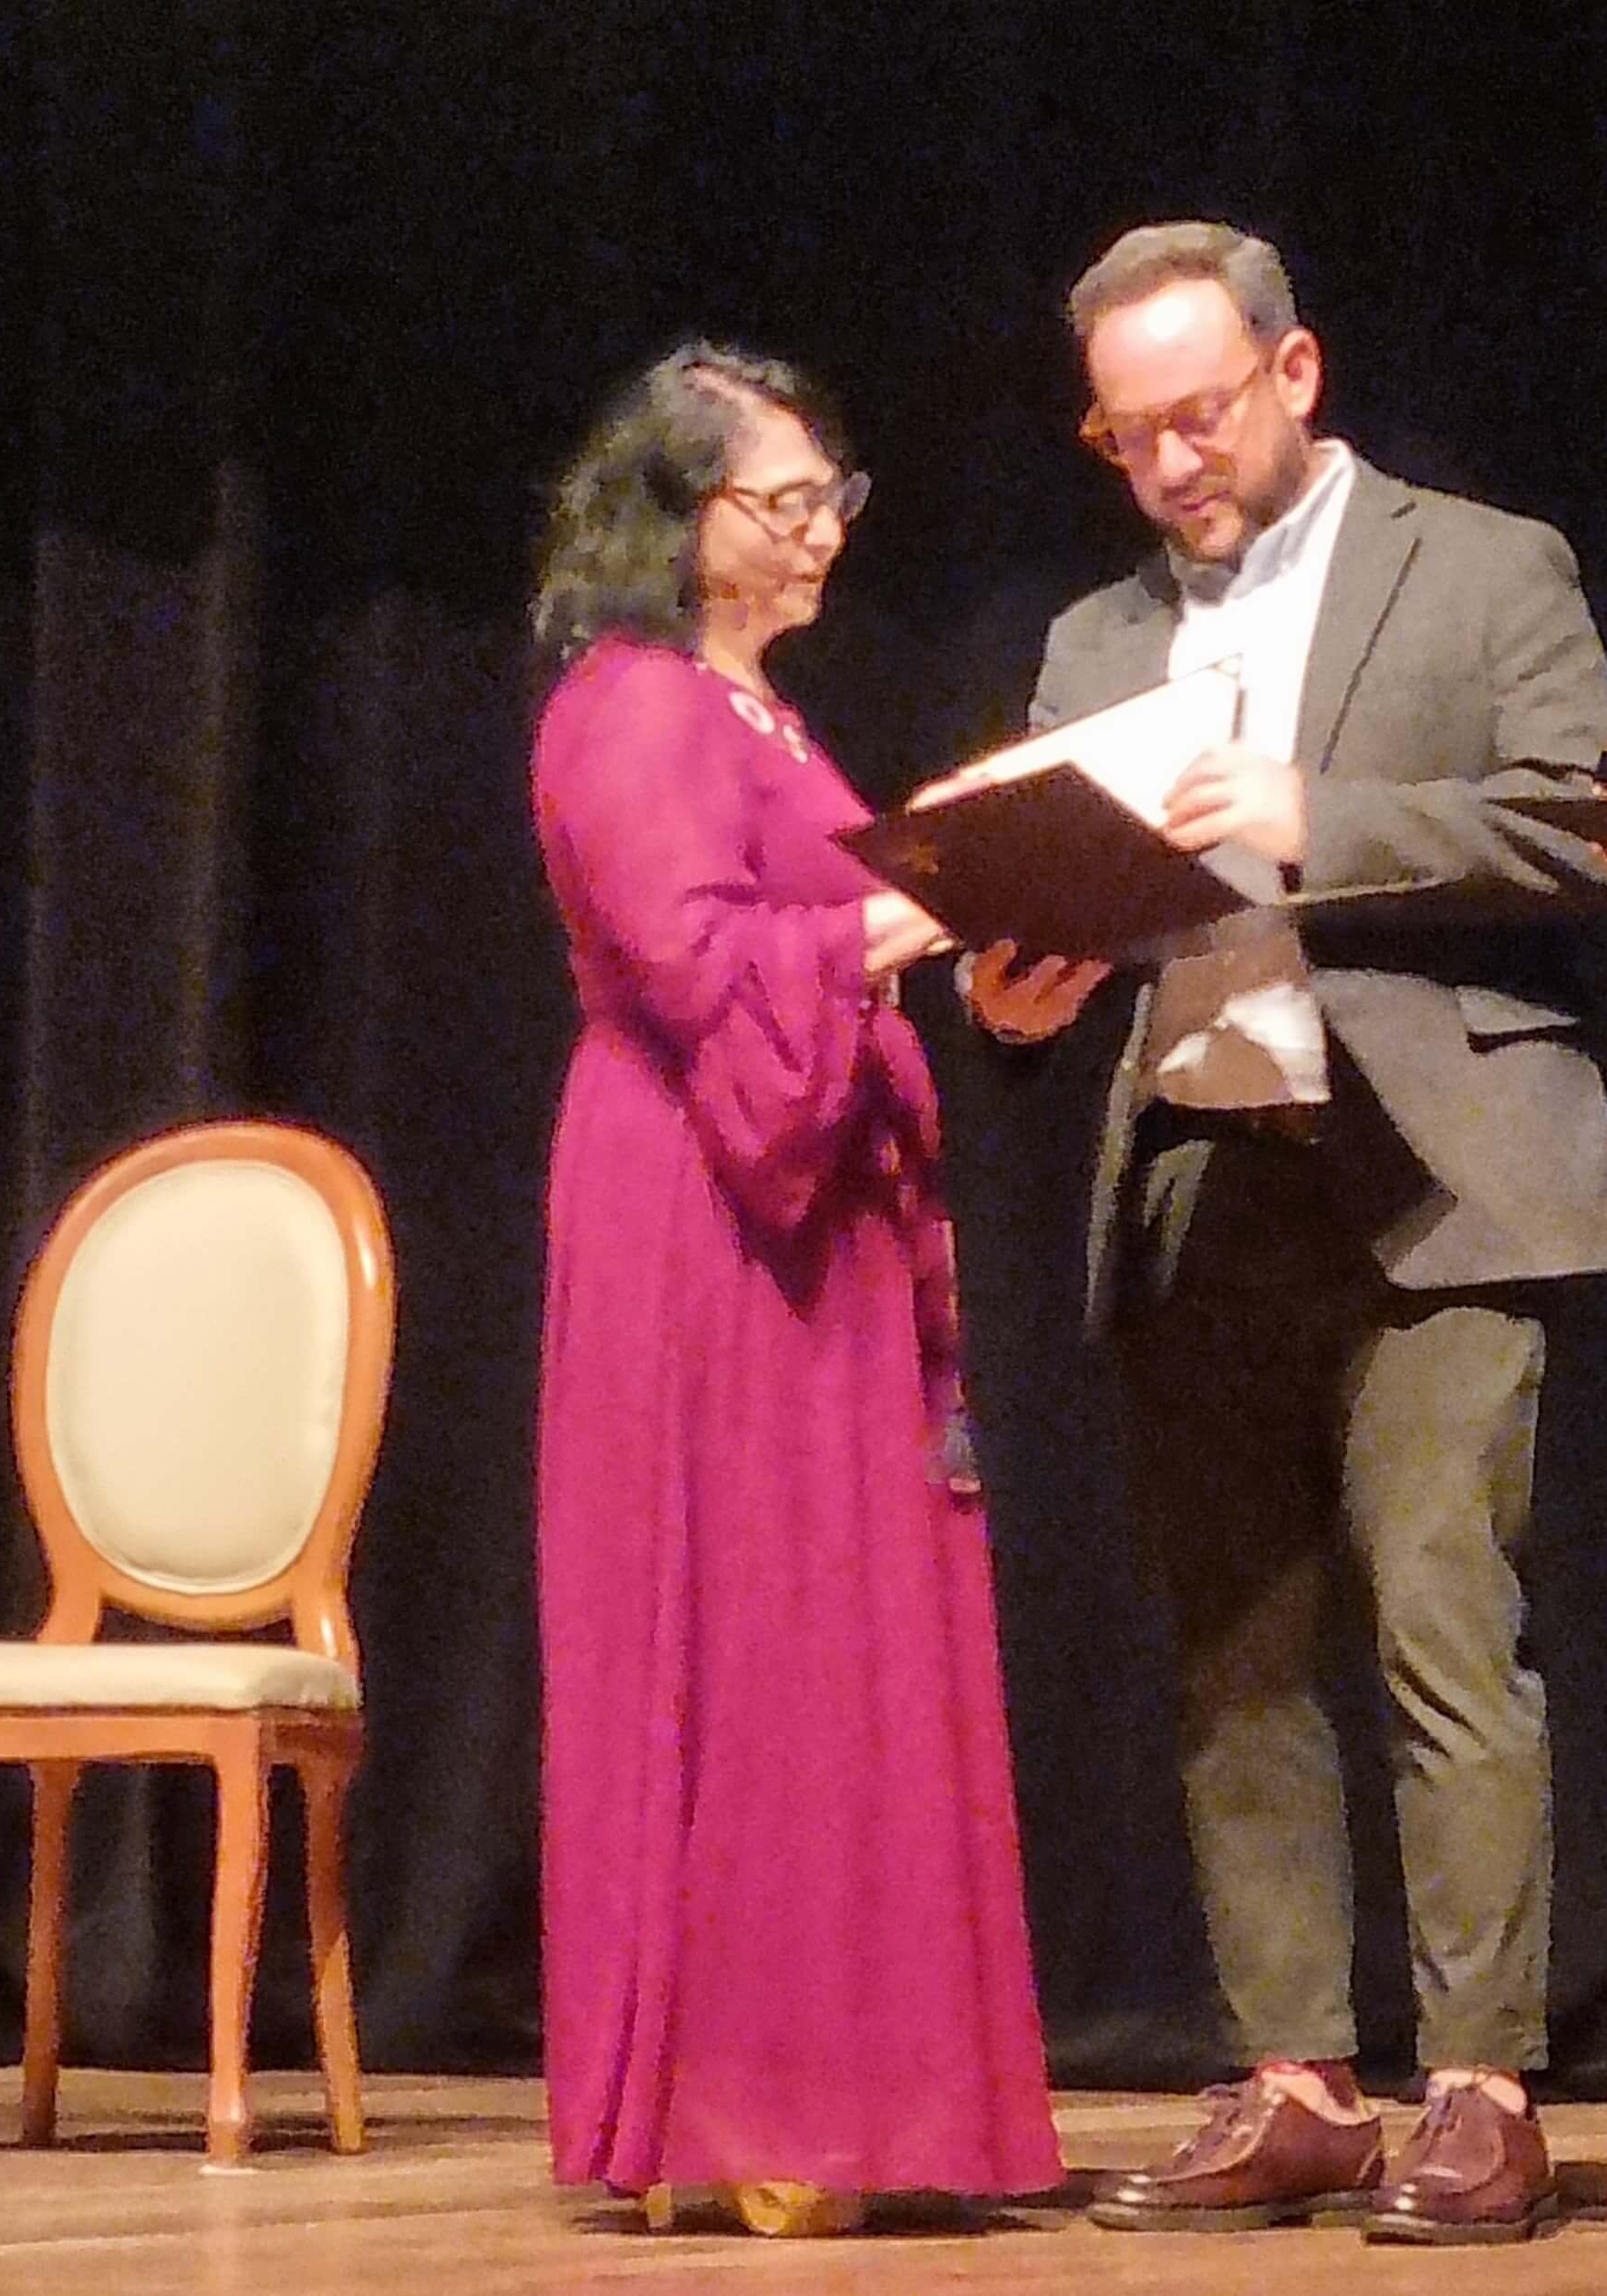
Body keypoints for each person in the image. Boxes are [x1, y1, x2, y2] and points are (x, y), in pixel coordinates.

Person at [964, 222, 1607, 2246]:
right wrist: (1014, 994)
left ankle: (1482, 2086)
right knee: (1235, 1653)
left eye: (1199, 415)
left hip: (1437, 1170)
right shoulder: (1094, 642)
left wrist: (1311, 815)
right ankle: (1293, 2080)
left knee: (1442, 1619)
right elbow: (1052, 902)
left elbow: (1587, 827)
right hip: (1199, 1167)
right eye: (1128, 434)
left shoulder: (1483, 564)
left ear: (1295, 372)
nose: (1169, 462)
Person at [526, 343, 1063, 2236]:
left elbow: (800, 939)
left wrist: (973, 943)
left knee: (833, 1624)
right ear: (679, 519)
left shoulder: (756, 711)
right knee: (746, 1617)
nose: (824, 527)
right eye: (785, 499)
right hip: (703, 1201)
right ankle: (746, 2091)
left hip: (809, 1195)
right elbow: (694, 962)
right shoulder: (630, 702)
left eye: (835, 495)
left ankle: (847, 2080)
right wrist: (924, 903)